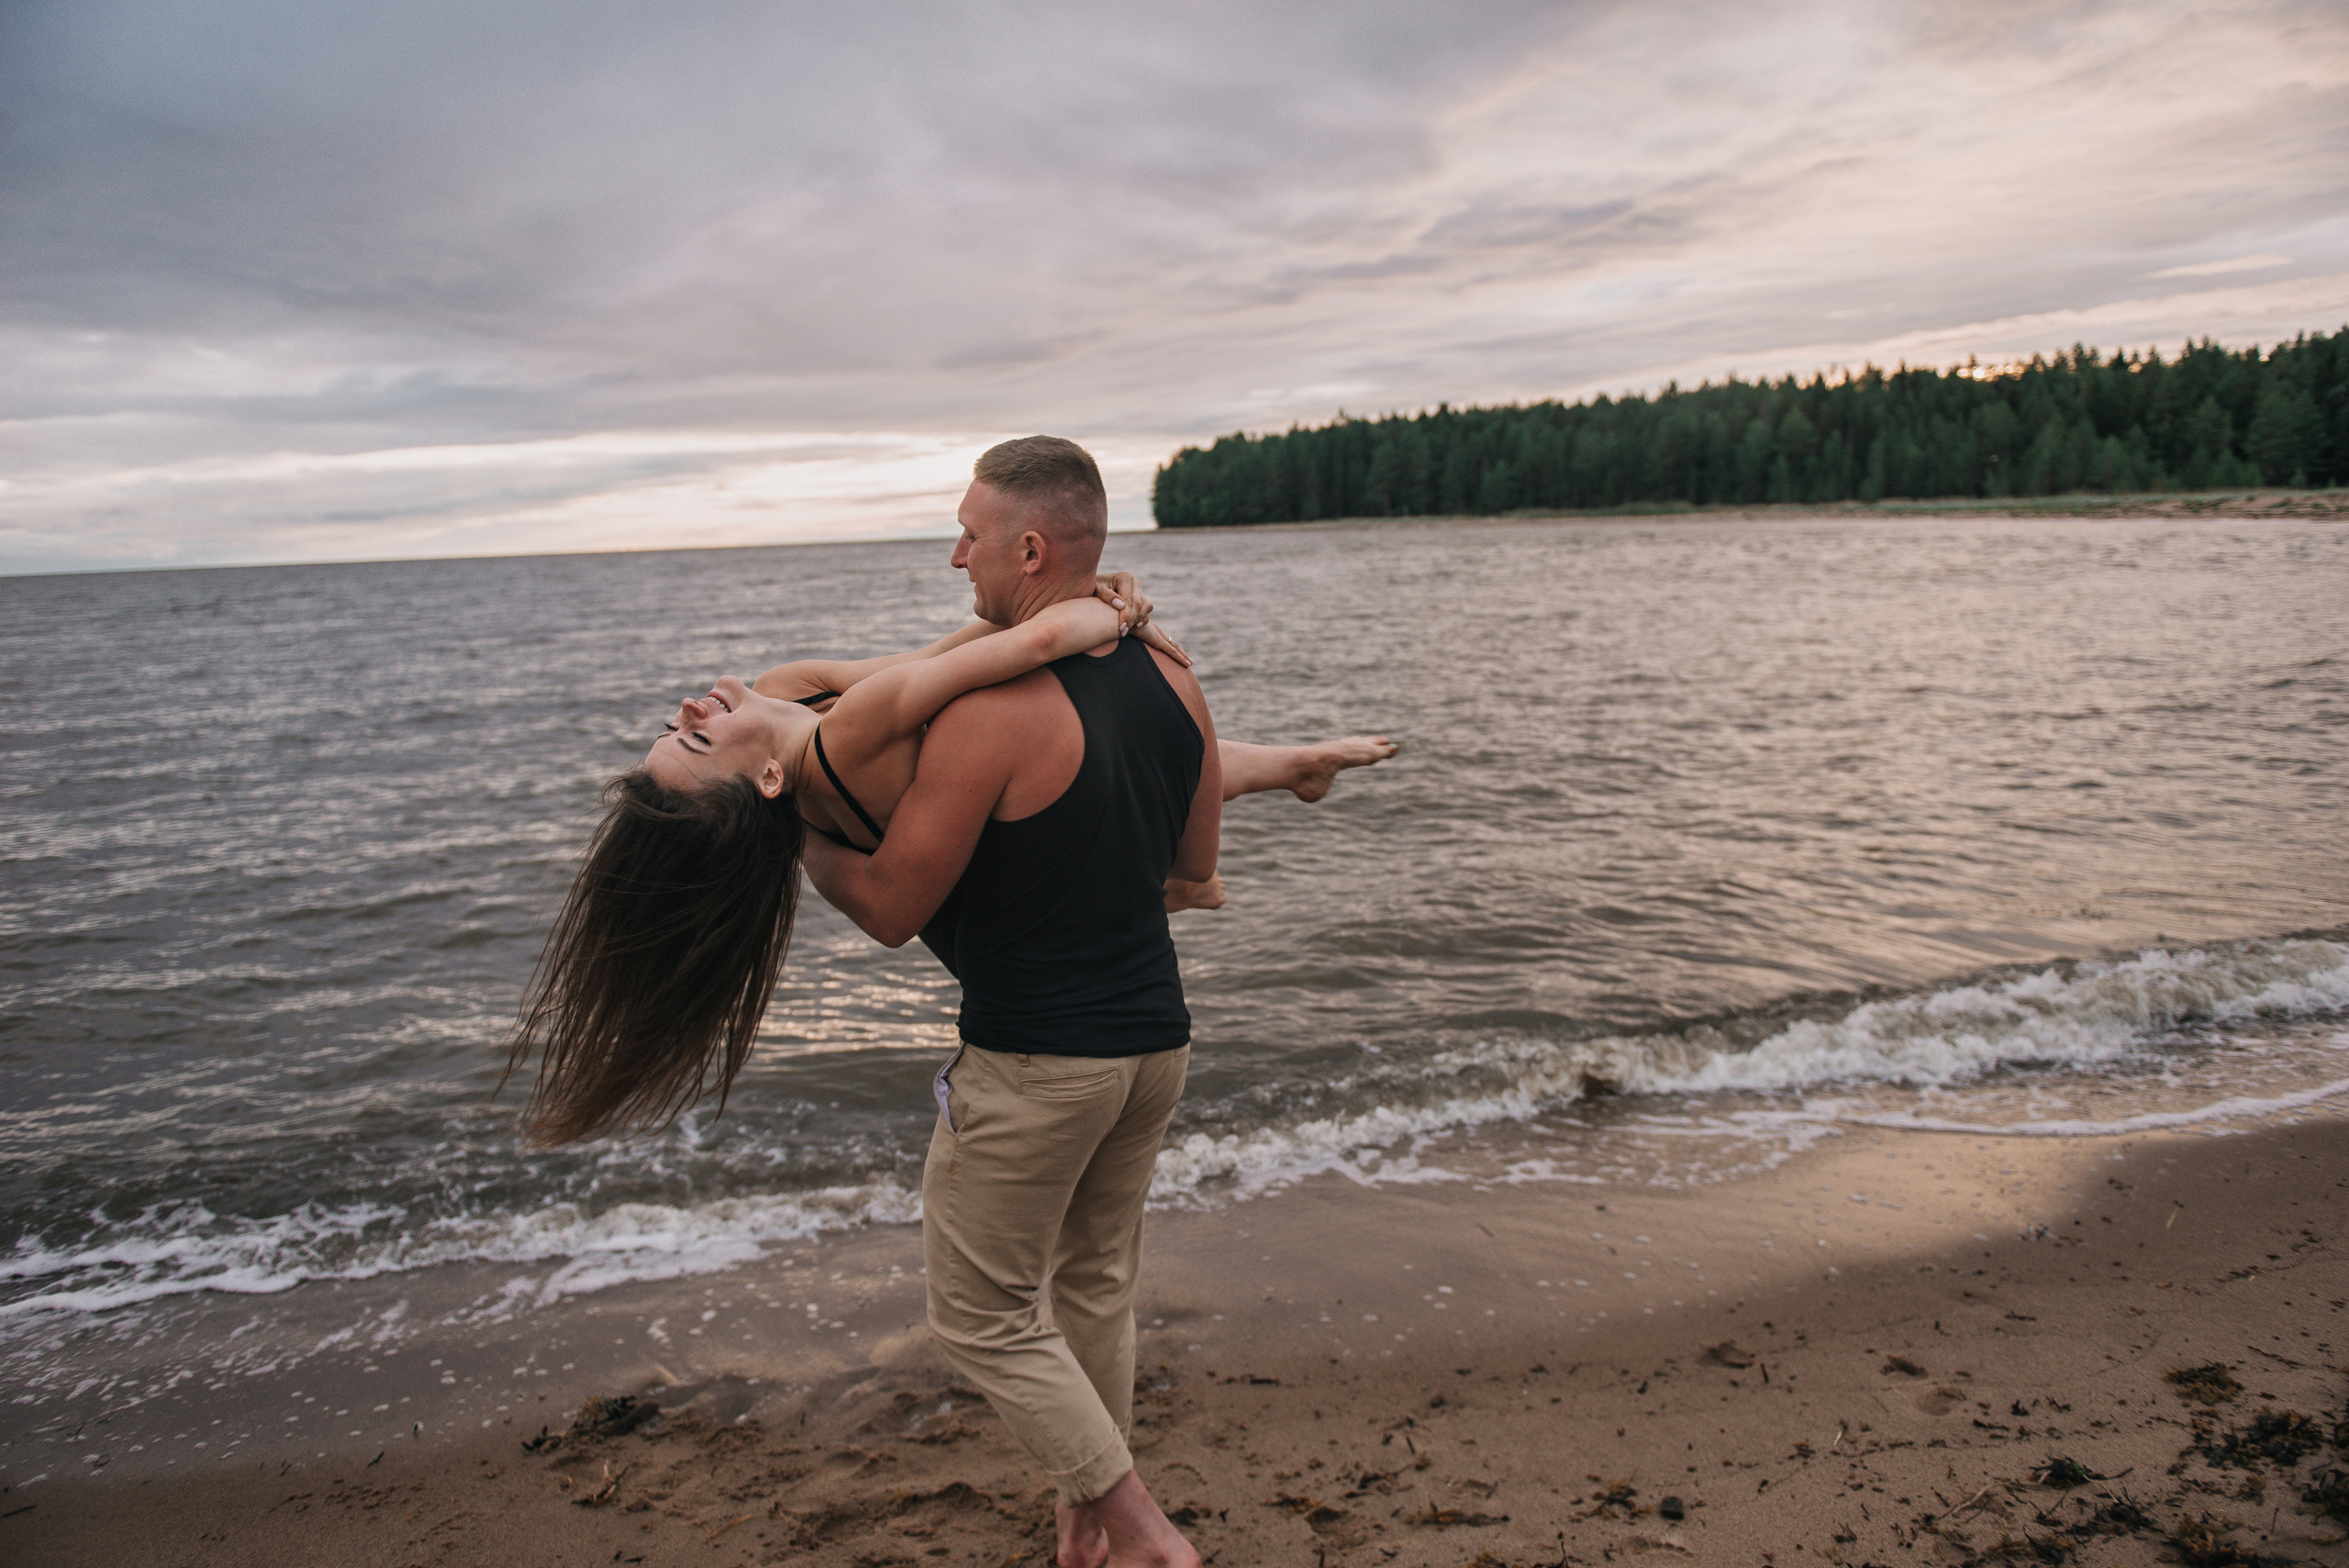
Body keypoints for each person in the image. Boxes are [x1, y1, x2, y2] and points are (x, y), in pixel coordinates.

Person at [799, 437, 1210, 1568]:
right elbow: (1192, 865)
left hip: (1037, 1059)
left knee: (978, 1313)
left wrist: (799, 836)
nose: (953, 557)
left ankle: (1147, 1534)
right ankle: (1085, 1531)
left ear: (1028, 547)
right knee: (1092, 1285)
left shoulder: (991, 714)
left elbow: (888, 906)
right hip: (1153, 1045)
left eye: (968, 536)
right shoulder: (1175, 674)